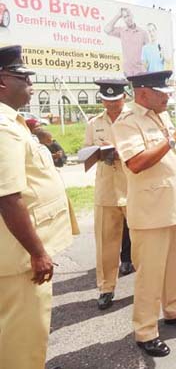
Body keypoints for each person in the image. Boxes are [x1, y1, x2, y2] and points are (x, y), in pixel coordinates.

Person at [112, 70, 176, 357]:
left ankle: (175, 310)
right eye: (162, 92)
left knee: (175, 267)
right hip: (150, 215)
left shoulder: (160, 114)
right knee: (150, 275)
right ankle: (146, 330)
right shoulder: (127, 121)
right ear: (143, 92)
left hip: (174, 208)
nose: (167, 98)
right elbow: (136, 163)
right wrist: (172, 139)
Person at [0, 45, 73, 368]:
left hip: (16, 251)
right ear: (2, 81)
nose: (31, 83)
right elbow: (7, 197)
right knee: (22, 338)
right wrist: (38, 253)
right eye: (23, 77)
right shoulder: (3, 129)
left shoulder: (14, 123)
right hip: (19, 257)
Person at [84, 79, 134, 311]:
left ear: (124, 97)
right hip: (106, 189)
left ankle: (146, 285)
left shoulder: (135, 119)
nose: (111, 105)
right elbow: (86, 152)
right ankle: (106, 288)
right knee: (106, 243)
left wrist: (120, 152)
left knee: (142, 242)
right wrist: (99, 153)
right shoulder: (94, 123)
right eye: (106, 100)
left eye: (115, 100)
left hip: (133, 187)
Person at [105, 8, 149, 76]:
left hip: (141, 72)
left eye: (128, 15)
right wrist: (117, 16)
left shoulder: (143, 33)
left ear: (132, 15)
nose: (128, 18)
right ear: (123, 19)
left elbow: (148, 53)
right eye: (125, 17)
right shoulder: (122, 31)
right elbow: (107, 30)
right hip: (127, 73)